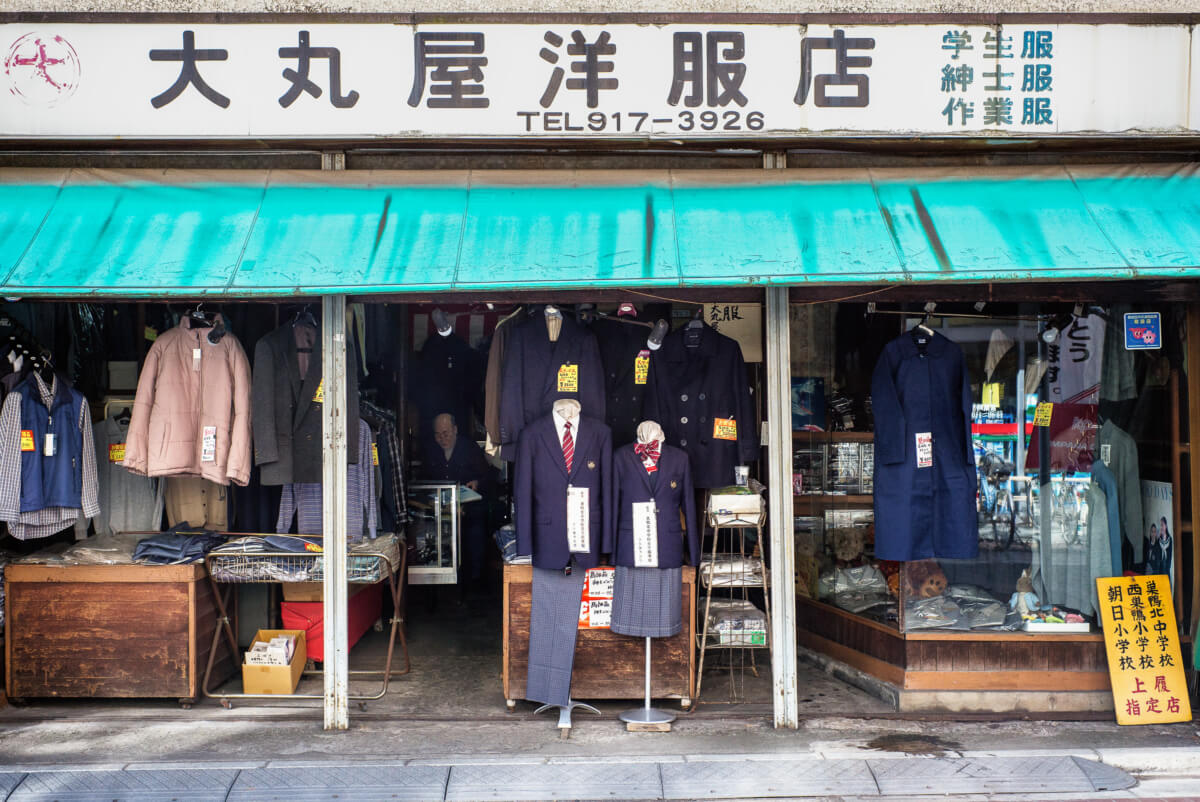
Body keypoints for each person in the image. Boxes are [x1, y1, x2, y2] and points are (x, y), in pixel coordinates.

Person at [421, 413, 498, 593]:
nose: (442, 438)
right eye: (438, 434)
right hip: (442, 511)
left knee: (474, 541)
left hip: (470, 510)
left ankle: (474, 586)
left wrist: (477, 483)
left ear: (455, 430)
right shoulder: (431, 450)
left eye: (446, 433)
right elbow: (425, 482)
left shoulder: (469, 448)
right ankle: (441, 588)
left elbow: (488, 476)